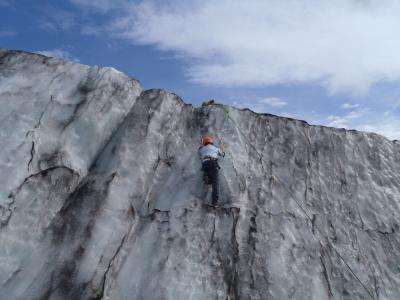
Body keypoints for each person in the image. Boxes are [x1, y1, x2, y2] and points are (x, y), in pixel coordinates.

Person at [198, 136, 225, 206]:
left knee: (206, 182)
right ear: (212, 142)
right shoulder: (215, 148)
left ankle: (203, 199)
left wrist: (201, 143)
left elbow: (199, 151)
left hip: (205, 164)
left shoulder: (202, 149)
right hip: (213, 163)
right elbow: (223, 154)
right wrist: (222, 147)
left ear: (204, 143)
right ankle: (214, 202)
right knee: (215, 183)